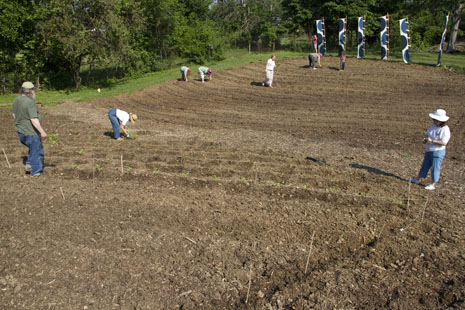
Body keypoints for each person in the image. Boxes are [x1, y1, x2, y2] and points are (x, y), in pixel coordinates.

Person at [409, 109, 451, 190]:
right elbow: (427, 134)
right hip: (429, 150)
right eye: (434, 119)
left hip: (438, 151)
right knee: (425, 165)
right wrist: (425, 139)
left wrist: (432, 141)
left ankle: (433, 184)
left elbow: (444, 142)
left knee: (435, 168)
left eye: (435, 120)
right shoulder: (433, 126)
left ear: (441, 121)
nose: (434, 121)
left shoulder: (445, 129)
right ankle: (417, 179)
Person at [12, 81, 47, 177]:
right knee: (37, 150)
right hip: (30, 132)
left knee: (32, 148)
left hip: (20, 131)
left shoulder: (16, 100)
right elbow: (33, 119)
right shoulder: (30, 102)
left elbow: (14, 115)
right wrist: (42, 131)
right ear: (30, 91)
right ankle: (35, 172)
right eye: (33, 90)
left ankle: (29, 165)